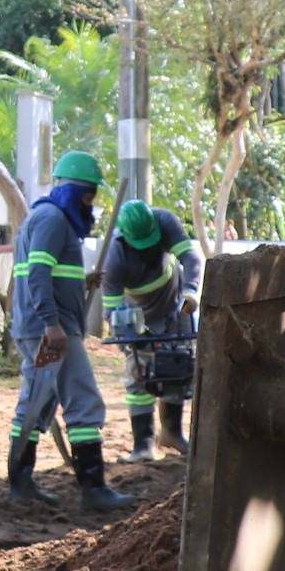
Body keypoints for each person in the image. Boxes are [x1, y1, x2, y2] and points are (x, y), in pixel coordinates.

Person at [8, 151, 130, 510]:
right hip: (52, 328)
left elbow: (53, 273)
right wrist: (52, 323)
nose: (91, 203)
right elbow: (38, 273)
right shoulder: (52, 219)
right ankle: (93, 488)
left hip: (44, 326)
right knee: (82, 399)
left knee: (37, 402)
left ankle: (21, 483)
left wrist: (81, 279)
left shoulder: (47, 218)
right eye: (89, 194)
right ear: (75, 190)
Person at [103, 198, 201, 462]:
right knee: (140, 375)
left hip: (176, 304)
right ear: (126, 238)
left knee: (179, 365)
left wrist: (190, 291)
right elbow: (111, 313)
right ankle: (143, 445)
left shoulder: (165, 221)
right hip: (137, 315)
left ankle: (171, 433)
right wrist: (131, 344)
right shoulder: (114, 257)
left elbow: (191, 258)